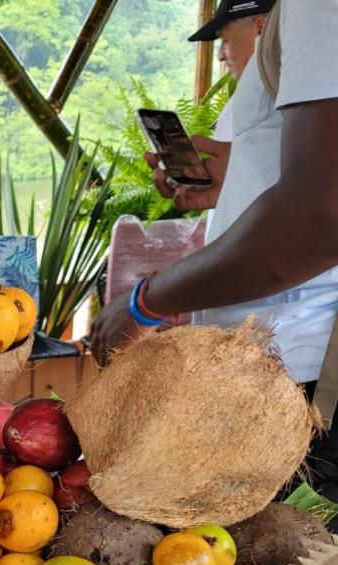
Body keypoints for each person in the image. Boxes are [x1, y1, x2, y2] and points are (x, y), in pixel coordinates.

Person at [90, 0, 338, 386]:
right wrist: (242, 177)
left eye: (224, 39)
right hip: (283, 361)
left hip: (304, 366)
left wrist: (146, 302)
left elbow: (318, 221)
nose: (220, 54)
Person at [193, 0, 277, 144]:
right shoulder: (245, 96)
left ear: (261, 29)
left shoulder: (279, 97)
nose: (220, 56)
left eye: (225, 40)